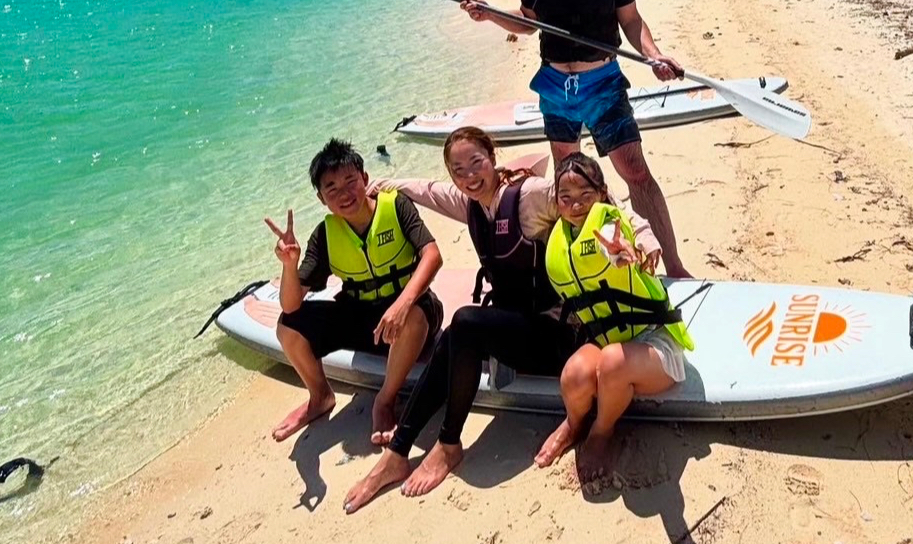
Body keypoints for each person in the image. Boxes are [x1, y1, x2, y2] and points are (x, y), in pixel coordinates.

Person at [342, 126, 664, 511]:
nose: (468, 176)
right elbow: (424, 190)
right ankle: (397, 454)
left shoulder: (529, 197)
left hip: (562, 335)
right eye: (457, 170)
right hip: (519, 331)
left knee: (465, 323)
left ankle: (448, 445)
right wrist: (375, 186)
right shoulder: (471, 203)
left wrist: (643, 240)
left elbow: (599, 200)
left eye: (476, 163)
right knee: (451, 337)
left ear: (493, 157)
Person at [459, 0, 692, 279]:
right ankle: (581, 264)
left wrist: (653, 55)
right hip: (554, 87)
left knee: (634, 171)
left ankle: (674, 265)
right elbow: (528, 22)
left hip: (602, 82)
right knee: (567, 182)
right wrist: (492, 16)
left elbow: (631, 21)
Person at [263, 138, 444, 446]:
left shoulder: (396, 206)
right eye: (331, 188)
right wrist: (289, 265)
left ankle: (385, 401)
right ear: (322, 198)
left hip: (412, 315)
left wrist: (402, 304)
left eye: (350, 181)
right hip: (361, 319)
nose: (343, 193)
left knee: (413, 315)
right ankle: (319, 396)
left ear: (365, 179)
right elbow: (291, 305)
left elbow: (432, 255)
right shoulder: (325, 235)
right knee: (288, 325)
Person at [533, 152, 693, 486]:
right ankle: (573, 423)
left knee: (611, 362)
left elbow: (628, 237)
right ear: (557, 201)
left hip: (656, 348)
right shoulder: (559, 237)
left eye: (586, 196)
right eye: (567, 198)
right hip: (610, 342)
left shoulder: (614, 223)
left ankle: (601, 432)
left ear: (603, 194)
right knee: (573, 375)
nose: (577, 206)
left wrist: (637, 251)